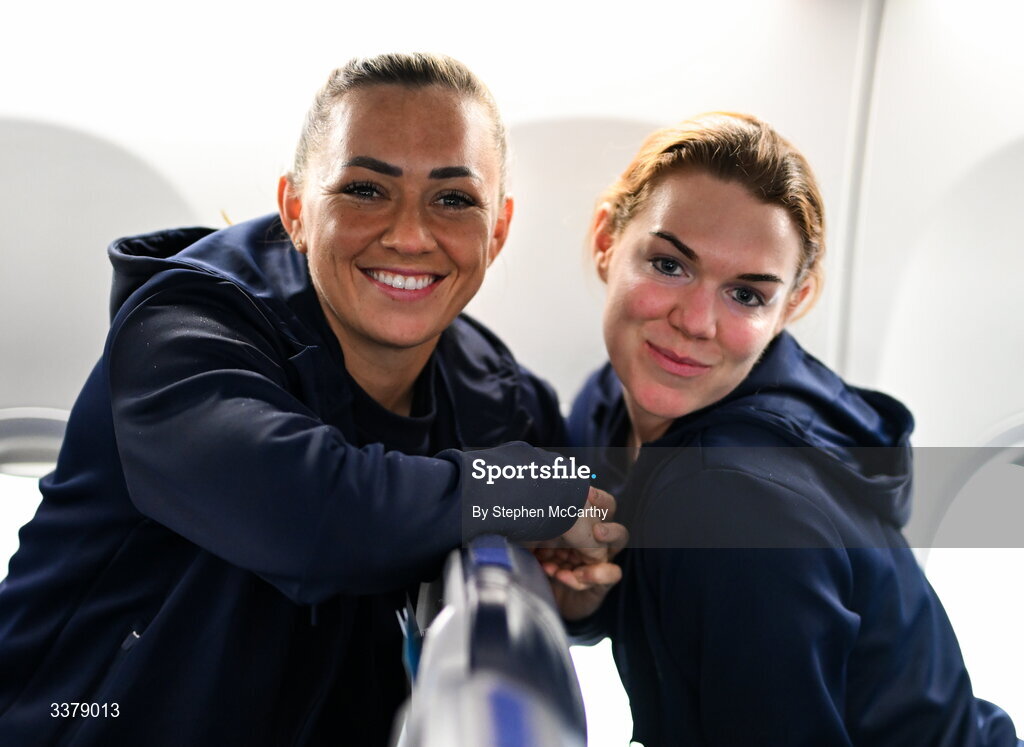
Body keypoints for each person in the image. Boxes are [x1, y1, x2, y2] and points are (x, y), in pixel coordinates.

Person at [0, 53, 623, 746]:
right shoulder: (182, 330)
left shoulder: (497, 396)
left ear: (498, 229)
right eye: (365, 189)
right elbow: (310, 513)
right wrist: (521, 490)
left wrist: (572, 605)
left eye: (453, 199)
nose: (411, 235)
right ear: (296, 209)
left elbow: (564, 533)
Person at [557, 112, 1022, 745]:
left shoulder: (729, 501)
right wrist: (585, 602)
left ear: (792, 306)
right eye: (670, 265)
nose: (696, 321)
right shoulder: (608, 408)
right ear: (606, 239)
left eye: (746, 295)